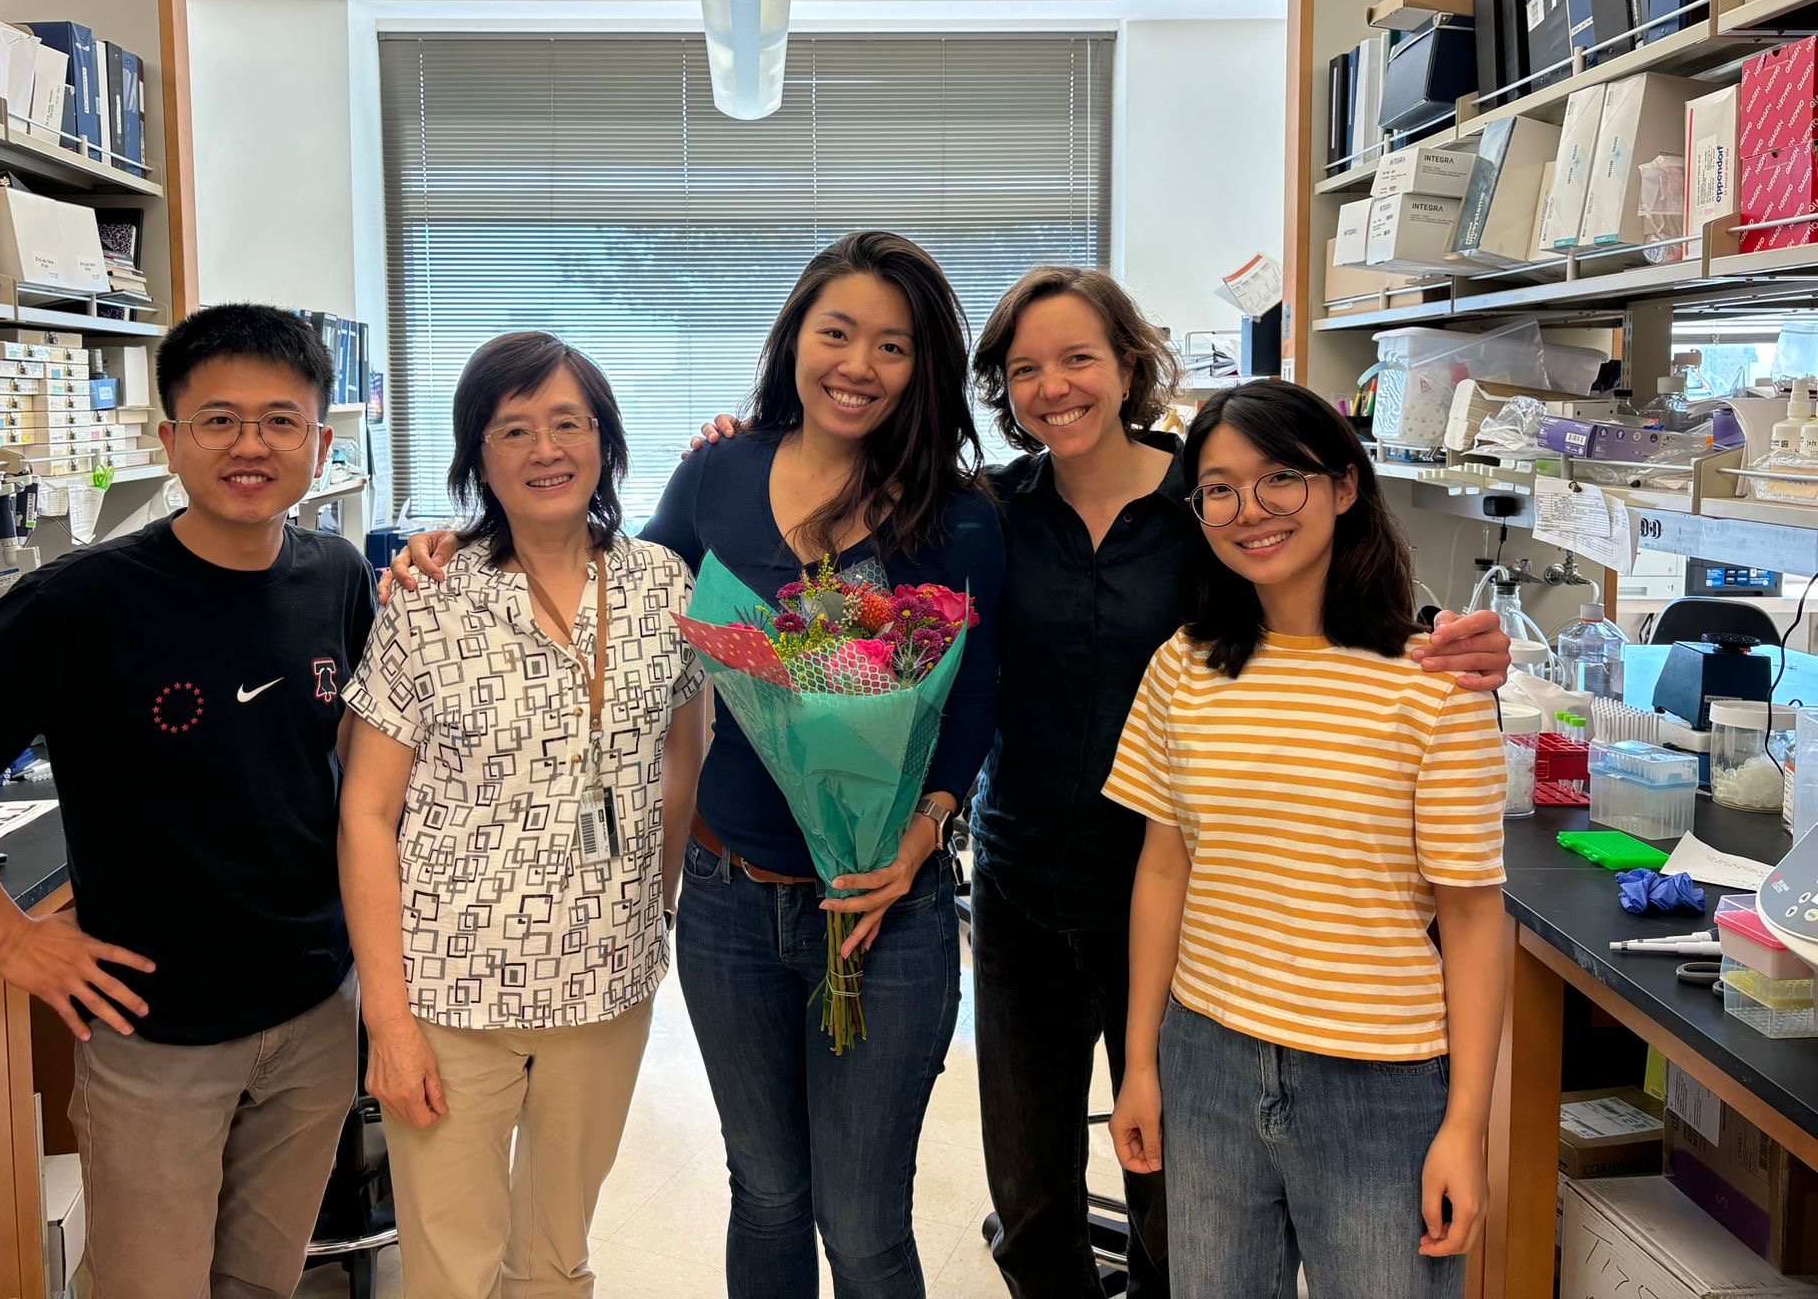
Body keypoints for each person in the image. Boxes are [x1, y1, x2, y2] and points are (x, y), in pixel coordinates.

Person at [672, 266, 1511, 1298]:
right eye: (1024, 368)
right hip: (1024, 887)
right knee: (1029, 1197)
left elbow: (1312, 595)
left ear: (1127, 365)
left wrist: (1442, 634)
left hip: (1181, 900)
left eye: (1077, 358)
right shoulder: (990, 511)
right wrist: (730, 446)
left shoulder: (1204, 498)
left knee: (1178, 1203)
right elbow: (960, 683)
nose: (1053, 386)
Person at [387, 231, 1004, 1299]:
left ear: (923, 368)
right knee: (763, 1194)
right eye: (836, 333)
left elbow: (972, 701)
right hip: (728, 900)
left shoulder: (958, 516)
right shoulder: (719, 471)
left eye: (892, 345)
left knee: (864, 1226)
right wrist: (456, 544)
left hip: (884, 904)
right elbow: (600, 567)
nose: (858, 364)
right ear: (795, 340)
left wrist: (917, 841)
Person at [0, 305, 375, 1299]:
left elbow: (347, 759)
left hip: (315, 1007)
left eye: (281, 421)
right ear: (170, 440)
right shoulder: (84, 599)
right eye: (218, 420)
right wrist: (7, 936)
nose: (251, 446)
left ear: (320, 443)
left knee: (264, 1283)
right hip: (154, 1028)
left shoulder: (336, 575)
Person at [1105, 378, 1510, 1299]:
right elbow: (1163, 871)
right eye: (1218, 489)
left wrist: (1465, 1126)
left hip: (1380, 1083)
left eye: (1280, 477)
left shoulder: (1436, 684)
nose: (1250, 510)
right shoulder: (1183, 667)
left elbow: (1472, 918)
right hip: (1207, 1058)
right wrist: (1141, 1063)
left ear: (1344, 486)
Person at [338, 333, 709, 1298]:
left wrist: (658, 905)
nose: (546, 449)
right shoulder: (428, 598)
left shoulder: (664, 585)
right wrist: (389, 1021)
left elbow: (685, 758)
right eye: (513, 430)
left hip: (609, 982)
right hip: (452, 993)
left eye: (568, 423)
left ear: (606, 441)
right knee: (450, 1270)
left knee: (556, 1260)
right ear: (478, 456)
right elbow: (366, 814)